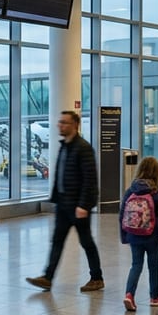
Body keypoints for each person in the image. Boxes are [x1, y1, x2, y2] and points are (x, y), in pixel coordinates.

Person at [25, 110, 103, 292]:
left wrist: (84, 205)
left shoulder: (83, 148)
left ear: (75, 125)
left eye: (65, 122)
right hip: (63, 204)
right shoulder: (65, 146)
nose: (60, 125)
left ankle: (97, 277)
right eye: (60, 122)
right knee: (57, 241)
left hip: (77, 206)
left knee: (86, 242)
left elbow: (90, 179)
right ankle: (48, 277)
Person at [120, 156, 158, 311]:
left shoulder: (131, 190)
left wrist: (124, 236)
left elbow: (122, 214)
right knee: (153, 265)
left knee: (136, 265)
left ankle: (129, 294)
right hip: (152, 236)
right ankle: (154, 297)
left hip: (134, 234)